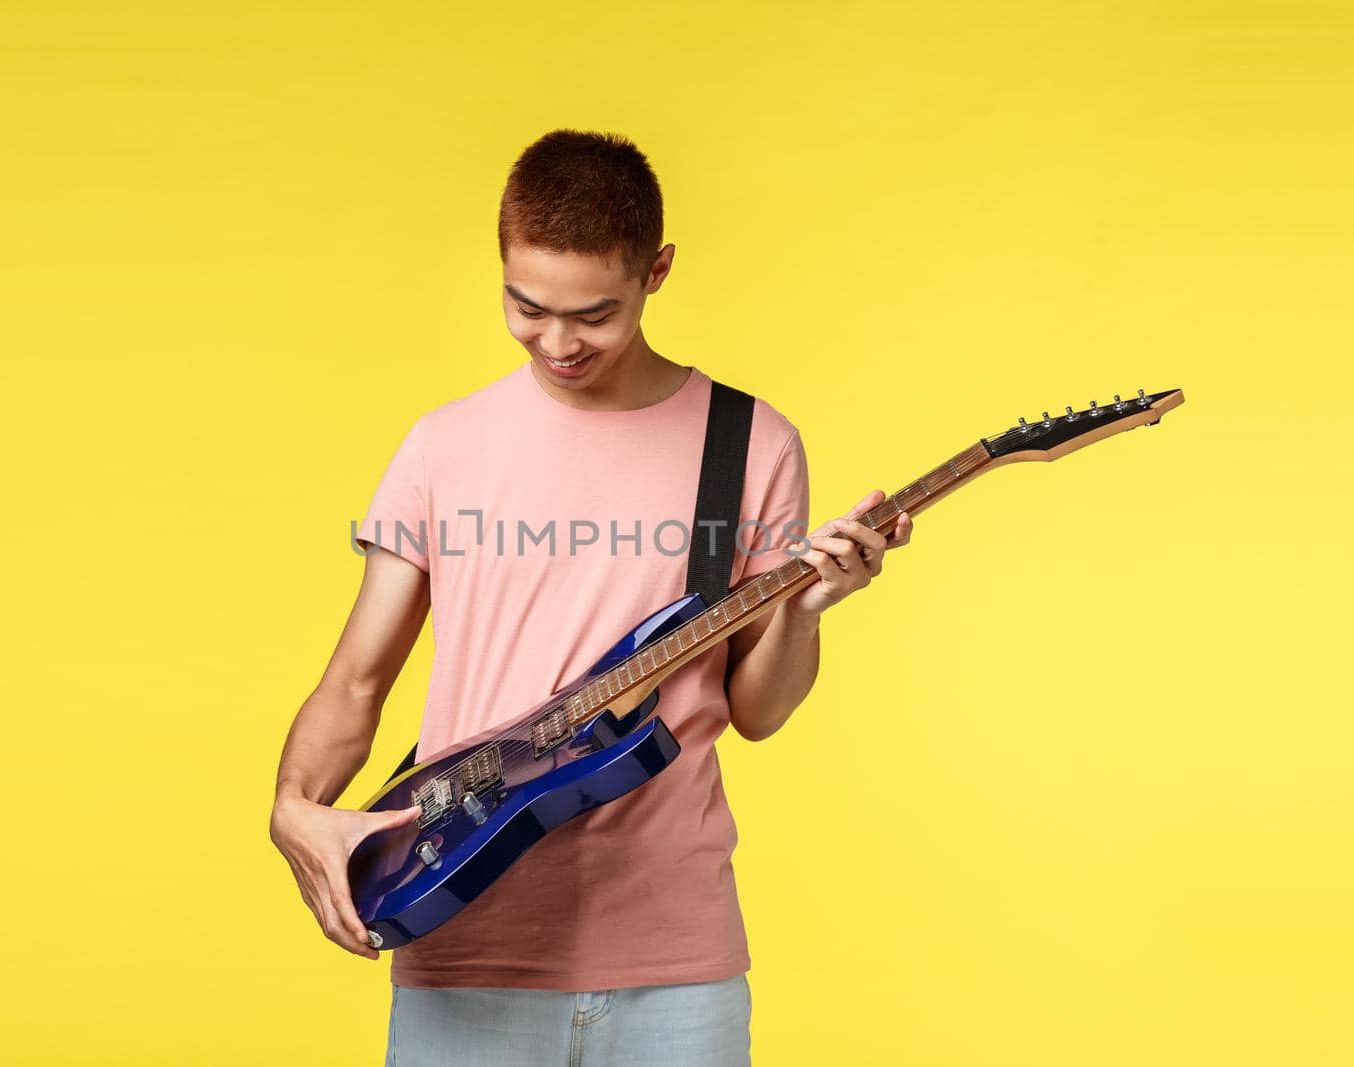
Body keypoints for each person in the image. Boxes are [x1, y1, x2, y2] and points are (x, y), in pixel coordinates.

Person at [270, 128, 912, 1066]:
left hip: (674, 963)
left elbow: (756, 710)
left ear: (657, 272)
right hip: (466, 941)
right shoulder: (442, 446)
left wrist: (807, 611)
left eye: (594, 315)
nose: (558, 342)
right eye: (525, 307)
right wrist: (294, 804)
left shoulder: (749, 443)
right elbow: (356, 682)